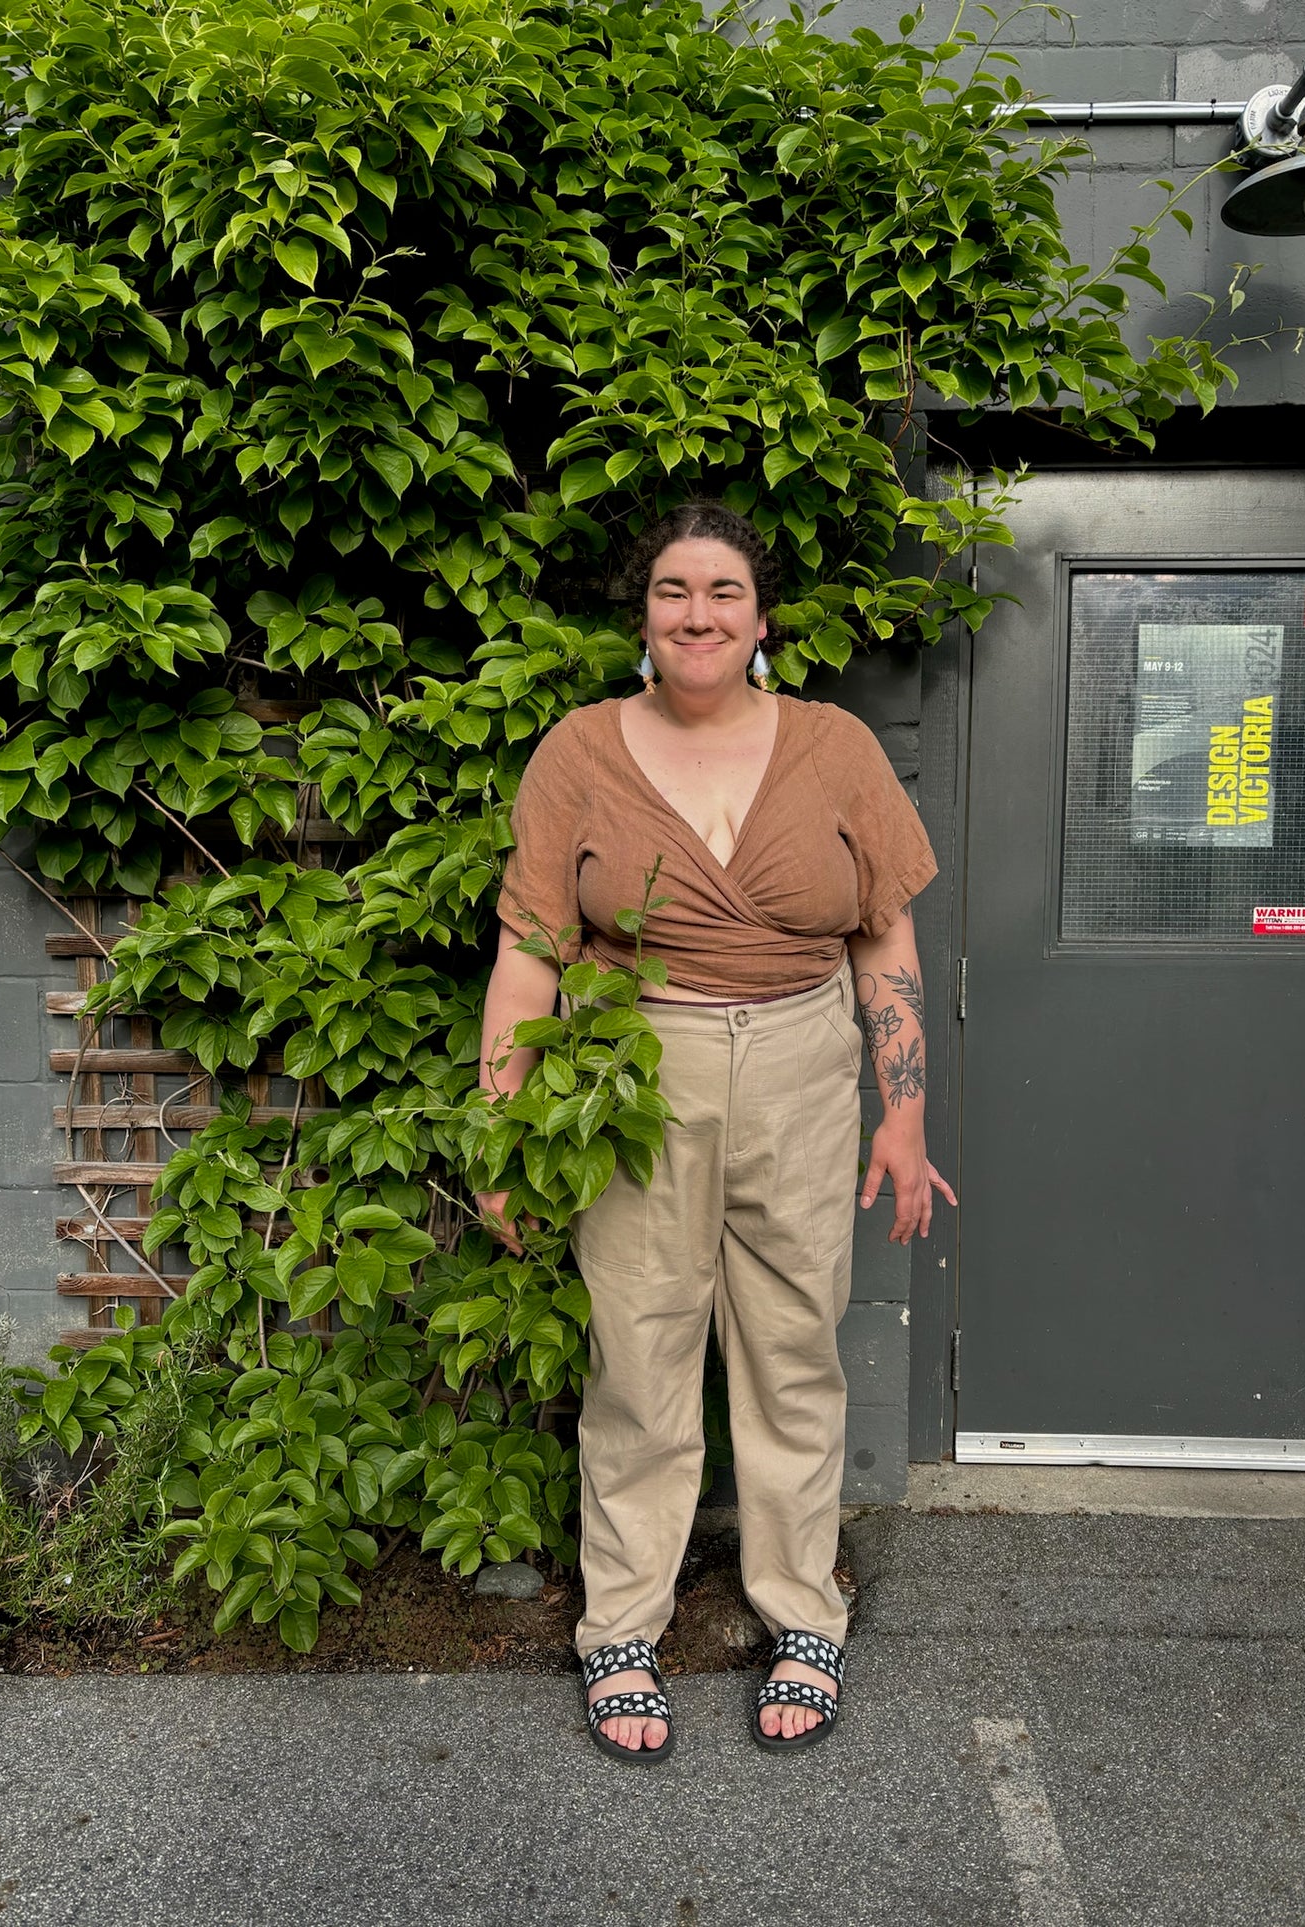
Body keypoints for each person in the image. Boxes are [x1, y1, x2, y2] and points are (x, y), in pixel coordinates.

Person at [475, 500, 955, 1761]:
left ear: (760, 617)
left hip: (803, 1066)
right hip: (638, 1075)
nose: (698, 614)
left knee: (793, 1349)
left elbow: (885, 937)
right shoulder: (577, 752)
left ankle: (804, 1611)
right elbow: (530, 955)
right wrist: (503, 1133)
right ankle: (620, 1628)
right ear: (642, 613)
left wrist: (902, 1111)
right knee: (637, 1358)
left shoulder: (834, 745)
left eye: (723, 592)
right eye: (674, 591)